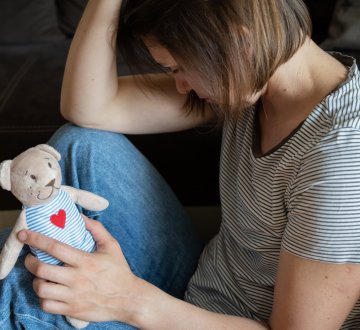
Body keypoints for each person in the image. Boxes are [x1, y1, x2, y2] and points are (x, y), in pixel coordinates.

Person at [1, 0, 360, 328]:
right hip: (203, 283)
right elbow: (89, 108)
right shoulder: (255, 81)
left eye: (179, 68)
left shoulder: (340, 162)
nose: (181, 86)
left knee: (20, 291)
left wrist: (126, 299)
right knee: (80, 143)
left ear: (239, 43)